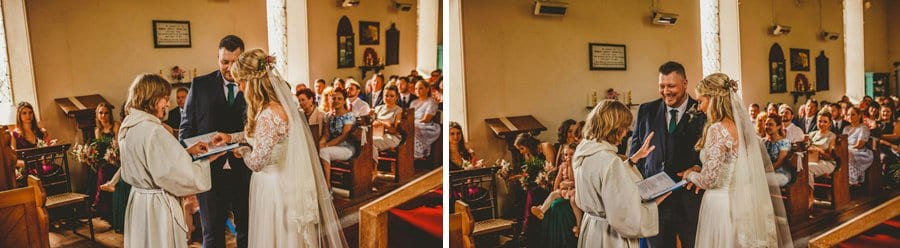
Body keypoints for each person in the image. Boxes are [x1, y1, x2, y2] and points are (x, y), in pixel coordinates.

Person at [211, 49, 348, 247]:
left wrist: (243, 151)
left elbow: (257, 162)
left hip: (272, 186)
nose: (239, 88)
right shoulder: (276, 108)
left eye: (240, 82)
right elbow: (262, 136)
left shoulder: (268, 114)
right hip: (283, 182)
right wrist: (231, 137)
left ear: (252, 82)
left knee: (275, 238)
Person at [677, 73, 792, 247]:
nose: (699, 108)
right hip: (742, 202)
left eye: (701, 101)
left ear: (714, 99)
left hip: (720, 204)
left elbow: (709, 180)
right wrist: (699, 169)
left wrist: (688, 175)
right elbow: (729, 165)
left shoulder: (717, 129)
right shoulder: (743, 128)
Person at [119, 73, 218, 248]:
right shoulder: (154, 131)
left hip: (139, 200)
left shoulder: (129, 125)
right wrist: (204, 160)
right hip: (158, 206)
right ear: (152, 98)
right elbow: (175, 174)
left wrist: (186, 152)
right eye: (165, 98)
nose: (168, 104)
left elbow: (152, 161)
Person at [179, 35, 251, 248]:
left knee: (246, 228)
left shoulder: (254, 87)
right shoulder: (200, 85)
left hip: (245, 169)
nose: (229, 67)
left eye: (235, 62)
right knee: (211, 232)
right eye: (224, 61)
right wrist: (189, 166)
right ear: (218, 58)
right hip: (209, 171)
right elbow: (186, 127)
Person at [629, 61, 704, 248]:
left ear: (685, 83)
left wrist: (699, 167)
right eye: (662, 86)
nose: (666, 91)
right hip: (656, 202)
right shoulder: (646, 110)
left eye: (671, 86)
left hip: (690, 200)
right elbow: (634, 154)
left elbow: (711, 152)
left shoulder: (702, 111)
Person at [574, 100, 666, 247]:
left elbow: (601, 176)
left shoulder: (584, 151)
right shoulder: (610, 161)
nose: (625, 133)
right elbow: (625, 217)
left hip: (592, 227)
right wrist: (653, 204)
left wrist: (633, 160)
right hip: (611, 236)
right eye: (624, 128)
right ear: (615, 128)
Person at [318, 87, 355, 185]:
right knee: (316, 150)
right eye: (334, 98)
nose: (336, 101)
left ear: (344, 101)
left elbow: (344, 136)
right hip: (332, 147)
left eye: (339, 99)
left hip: (346, 148)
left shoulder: (349, 116)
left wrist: (325, 145)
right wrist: (319, 144)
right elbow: (326, 135)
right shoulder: (328, 116)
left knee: (323, 152)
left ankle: (327, 185)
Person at [92, 103, 120, 222]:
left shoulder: (116, 125)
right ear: (97, 115)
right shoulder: (98, 130)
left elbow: (118, 145)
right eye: (100, 113)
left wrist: (113, 155)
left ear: (110, 114)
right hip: (105, 160)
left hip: (116, 159)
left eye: (106, 113)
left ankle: (99, 202)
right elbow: (99, 148)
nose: (103, 115)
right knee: (101, 169)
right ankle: (105, 210)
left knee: (104, 170)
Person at [807, 112, 837, 206]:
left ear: (829, 123)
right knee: (801, 167)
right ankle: (799, 196)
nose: (822, 124)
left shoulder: (832, 136)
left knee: (808, 168)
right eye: (819, 121)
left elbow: (831, 156)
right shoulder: (812, 134)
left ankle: (810, 196)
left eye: (825, 121)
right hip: (812, 159)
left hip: (827, 162)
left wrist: (819, 151)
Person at [410, 80, 441, 159]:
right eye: (416, 88)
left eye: (420, 88)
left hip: (426, 126)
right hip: (414, 123)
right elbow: (409, 116)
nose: (417, 91)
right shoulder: (413, 102)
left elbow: (426, 119)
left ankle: (418, 153)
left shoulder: (431, 101)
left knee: (412, 128)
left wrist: (412, 123)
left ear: (427, 89)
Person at [844, 107, 873, 186]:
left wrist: (846, 149)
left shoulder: (863, 128)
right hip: (848, 150)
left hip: (861, 152)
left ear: (859, 115)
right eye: (848, 115)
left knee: (848, 153)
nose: (850, 117)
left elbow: (860, 145)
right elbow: (843, 142)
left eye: (853, 114)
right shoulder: (846, 128)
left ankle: (852, 180)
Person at [763, 113, 793, 187]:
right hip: (765, 172)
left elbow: (779, 162)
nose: (767, 127)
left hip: (781, 174)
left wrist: (762, 172)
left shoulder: (784, 142)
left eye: (771, 124)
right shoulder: (763, 142)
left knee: (758, 179)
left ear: (778, 126)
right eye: (766, 124)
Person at [372, 85, 403, 152]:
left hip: (392, 137)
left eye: (392, 96)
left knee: (371, 142)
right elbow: (372, 122)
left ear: (396, 97)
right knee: (364, 141)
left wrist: (382, 123)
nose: (388, 98)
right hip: (377, 134)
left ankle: (373, 162)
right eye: (386, 95)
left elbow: (395, 130)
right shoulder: (378, 108)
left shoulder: (398, 110)